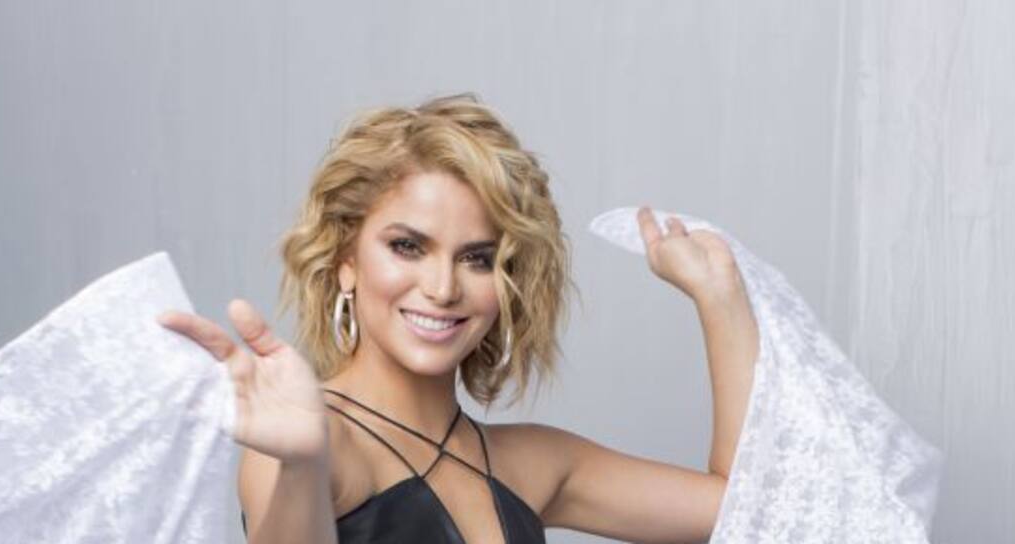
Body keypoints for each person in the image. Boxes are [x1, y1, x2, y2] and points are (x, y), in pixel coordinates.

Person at [156, 93, 759, 543]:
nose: (442, 288)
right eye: (407, 247)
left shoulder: (534, 463)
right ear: (346, 262)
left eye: (478, 259)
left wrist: (720, 297)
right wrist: (301, 464)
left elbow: (754, 514)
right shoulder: (312, 445)